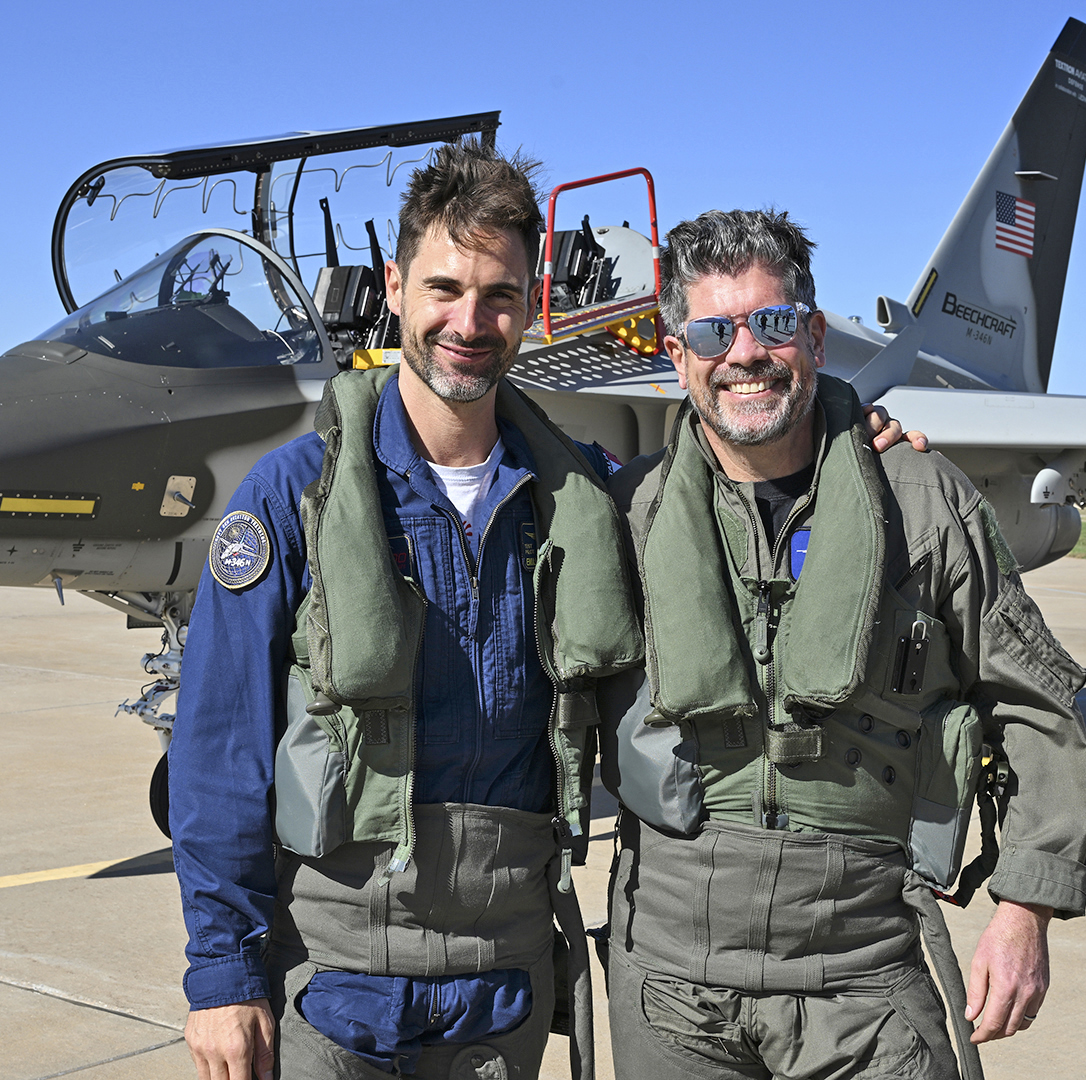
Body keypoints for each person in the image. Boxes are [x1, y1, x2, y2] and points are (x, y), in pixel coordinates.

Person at [170, 147, 915, 1080]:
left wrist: (849, 441)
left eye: (500, 296)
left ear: (530, 306)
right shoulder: (297, 497)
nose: (469, 323)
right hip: (336, 982)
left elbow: (735, 471)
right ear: (395, 288)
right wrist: (222, 978)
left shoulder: (586, 503)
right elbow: (219, 751)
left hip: (503, 991)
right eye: (444, 289)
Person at [600, 209, 1086, 1080]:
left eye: (774, 323)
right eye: (714, 330)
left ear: (816, 338)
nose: (746, 353)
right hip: (670, 981)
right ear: (677, 355)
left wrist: (1027, 906)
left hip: (859, 973)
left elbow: (1034, 706)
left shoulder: (921, 502)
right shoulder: (629, 512)